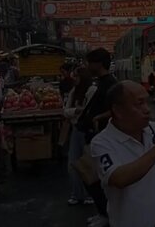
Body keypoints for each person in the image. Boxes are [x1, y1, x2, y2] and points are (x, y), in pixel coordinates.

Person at [91, 81, 155, 227]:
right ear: (118, 111)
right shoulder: (101, 143)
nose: (147, 110)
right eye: (139, 103)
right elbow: (119, 178)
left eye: (147, 102)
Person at [76, 48, 118, 227]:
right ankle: (102, 212)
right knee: (91, 176)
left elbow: (116, 108)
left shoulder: (110, 83)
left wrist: (97, 118)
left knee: (97, 178)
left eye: (90, 62)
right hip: (93, 135)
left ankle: (106, 214)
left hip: (101, 136)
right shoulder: (100, 82)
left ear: (98, 63)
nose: (87, 66)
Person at [64, 67, 97, 205]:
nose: (74, 79)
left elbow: (88, 112)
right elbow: (66, 111)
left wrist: (76, 112)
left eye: (76, 77)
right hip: (76, 129)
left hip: (87, 130)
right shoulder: (74, 91)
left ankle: (91, 194)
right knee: (73, 163)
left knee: (88, 163)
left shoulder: (91, 91)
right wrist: (76, 111)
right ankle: (77, 194)